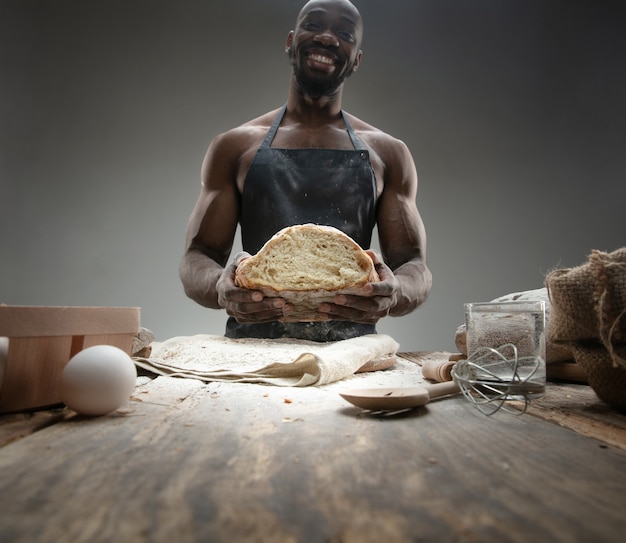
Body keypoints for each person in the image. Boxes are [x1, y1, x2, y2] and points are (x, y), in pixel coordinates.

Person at [180, 0, 432, 342]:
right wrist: (219, 286)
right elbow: (199, 256)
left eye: (344, 33)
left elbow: (413, 264)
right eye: (314, 25)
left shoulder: (388, 153)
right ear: (290, 41)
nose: (327, 38)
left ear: (356, 60)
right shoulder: (235, 147)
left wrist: (396, 292)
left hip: (351, 359)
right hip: (253, 355)